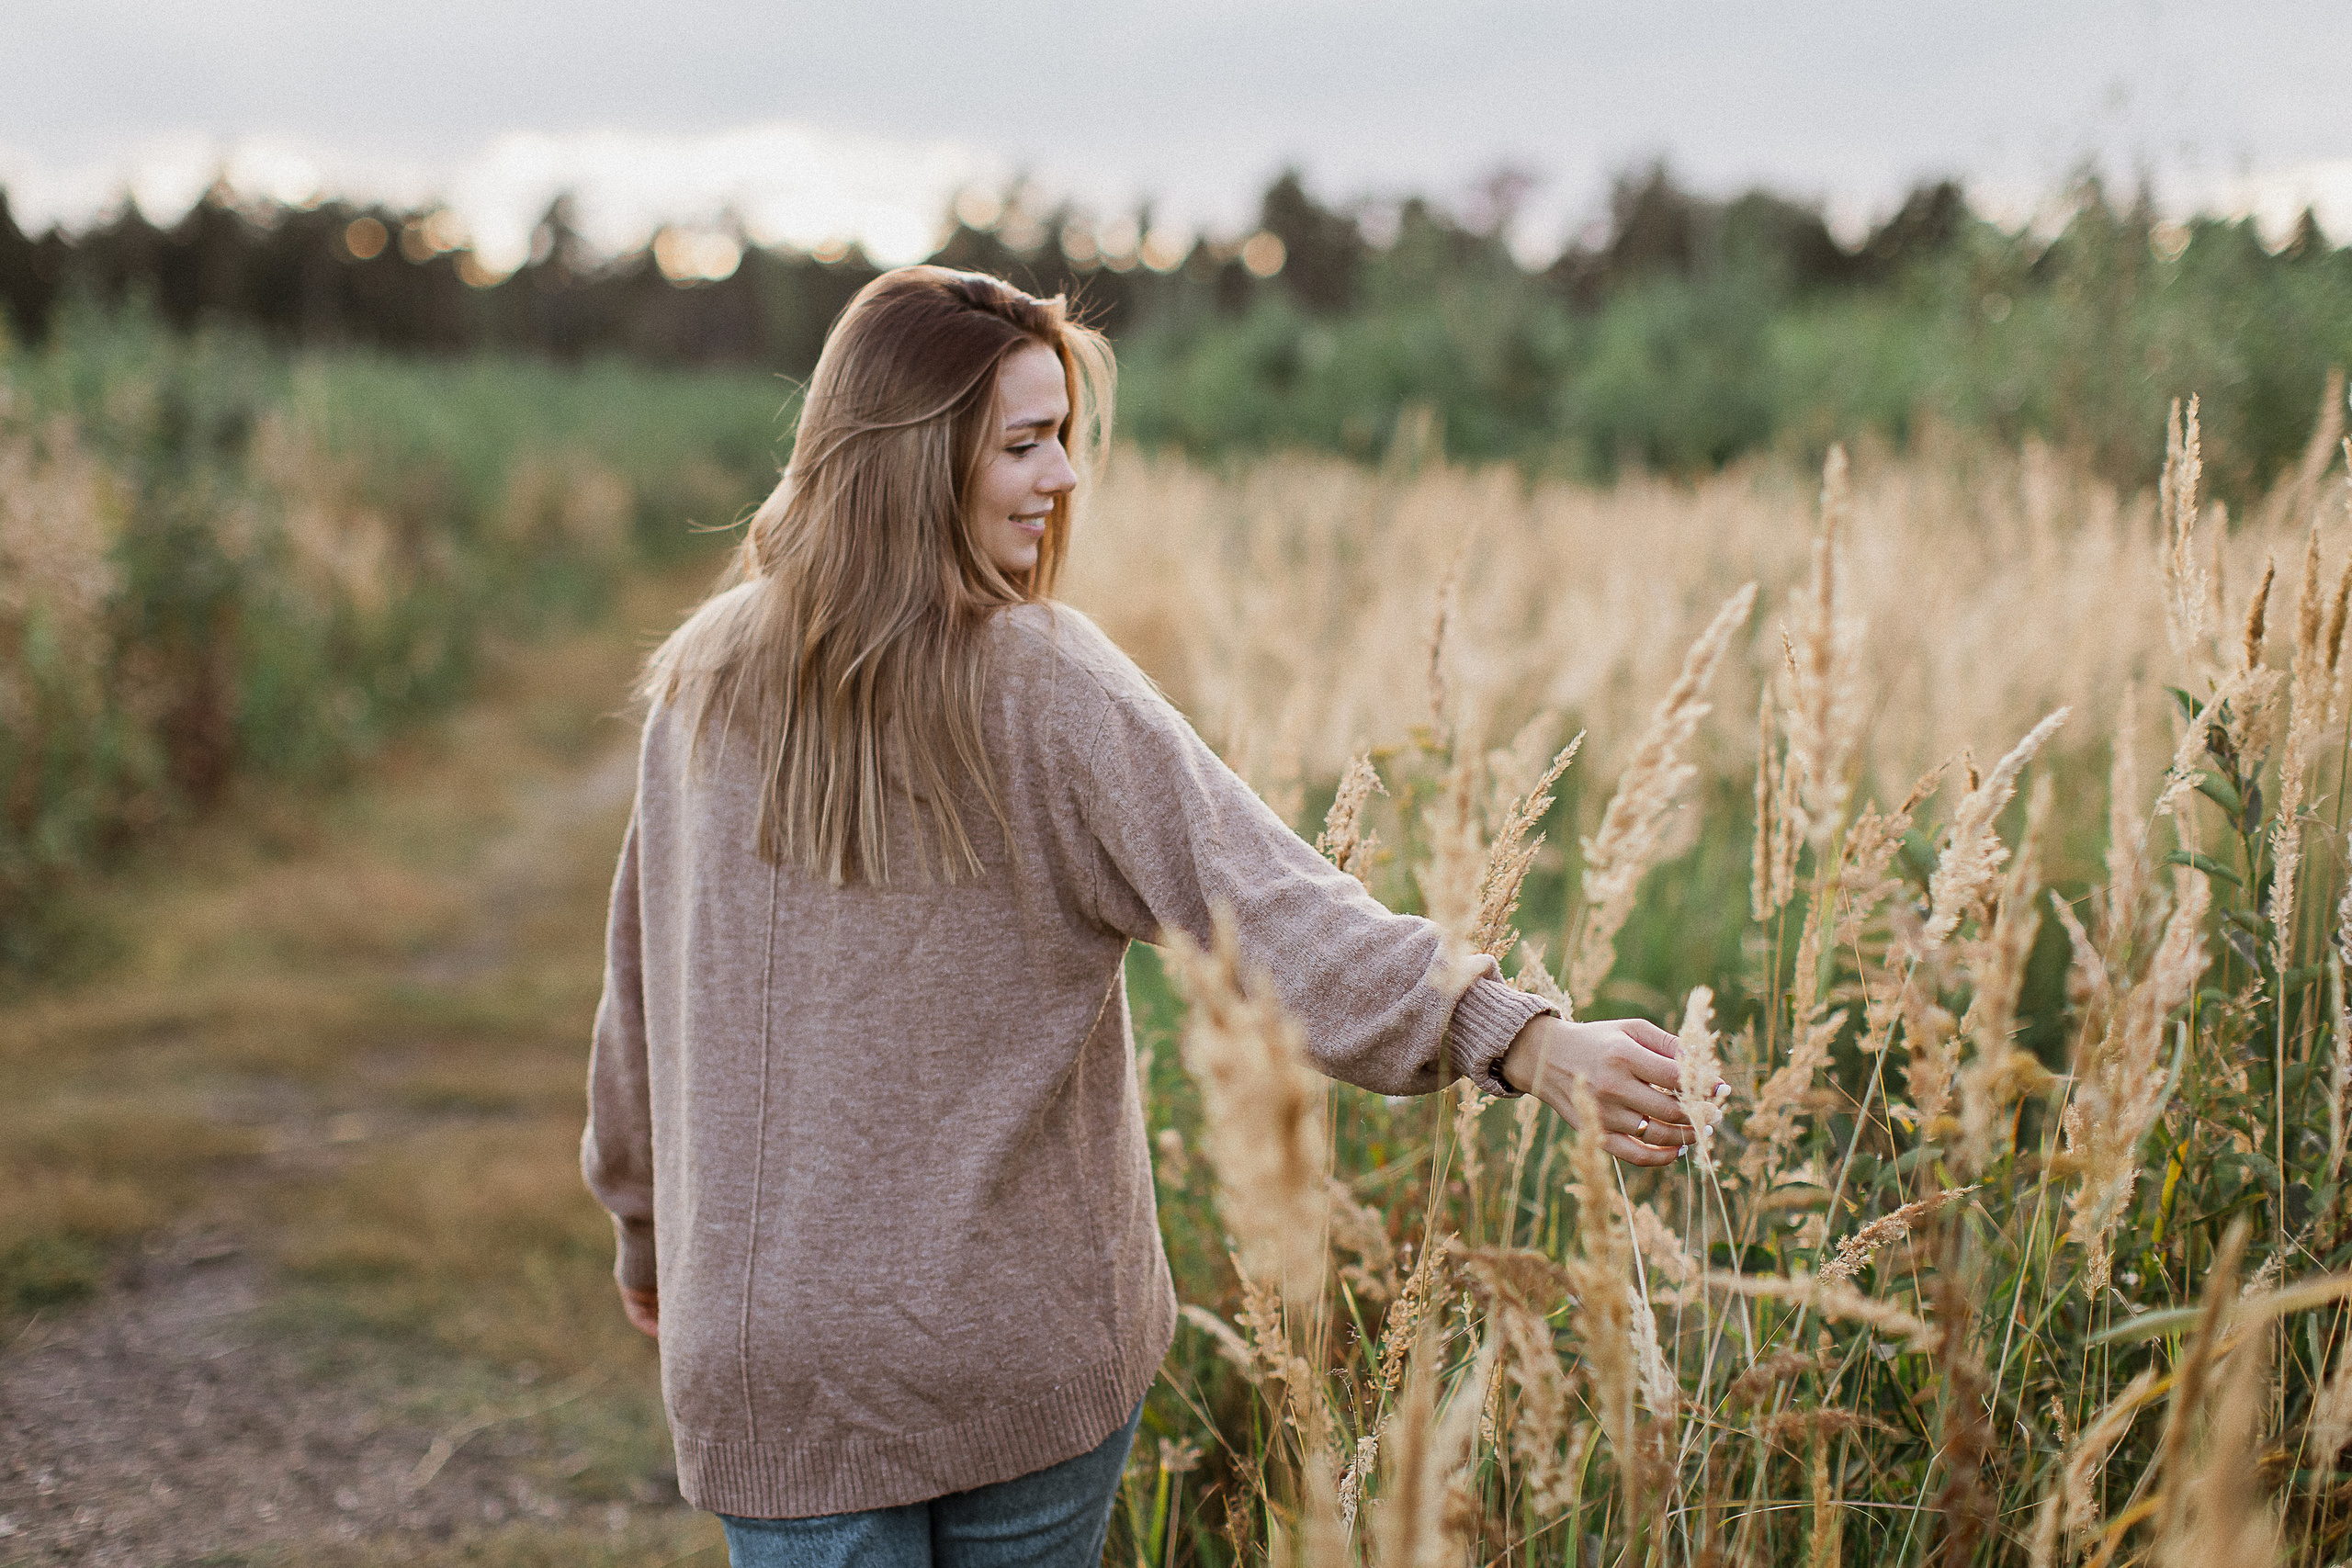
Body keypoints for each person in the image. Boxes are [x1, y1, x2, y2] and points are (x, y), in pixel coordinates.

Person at [582, 265, 1706, 1567]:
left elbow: (642, 1000)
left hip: (768, 1348)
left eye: (1065, 436)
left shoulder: (702, 681)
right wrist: (1519, 1037)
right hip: (1014, 1347)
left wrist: (646, 1227)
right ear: (909, 462)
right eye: (1023, 443)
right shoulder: (1042, 681)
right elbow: (1273, 911)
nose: (1064, 477)